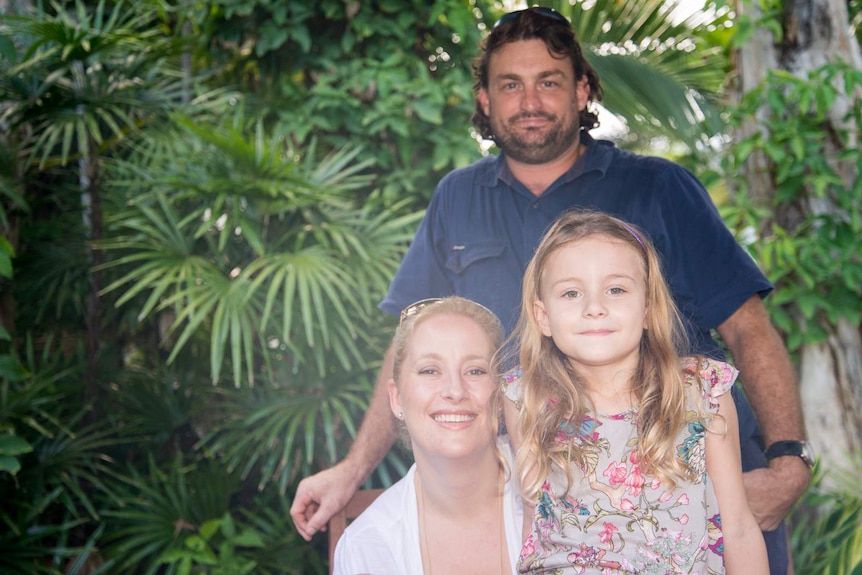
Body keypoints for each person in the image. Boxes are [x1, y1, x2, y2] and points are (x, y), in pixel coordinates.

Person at [290, 7, 810, 572]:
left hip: (694, 485)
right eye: (510, 84)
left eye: (549, 82)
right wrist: (352, 470)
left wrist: (788, 460)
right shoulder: (457, 199)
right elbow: (413, 349)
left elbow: (748, 326)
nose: (530, 101)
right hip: (555, 498)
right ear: (486, 100)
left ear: (582, 91)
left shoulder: (658, 187)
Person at [501, 209, 767, 574]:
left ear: (647, 309)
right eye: (571, 293)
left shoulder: (701, 389)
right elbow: (535, 523)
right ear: (543, 317)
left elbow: (737, 527)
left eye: (615, 289)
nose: (594, 308)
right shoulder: (524, 395)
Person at [331, 296, 523, 575]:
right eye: (430, 371)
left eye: (475, 371)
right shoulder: (369, 547)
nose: (455, 391)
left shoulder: (557, 487)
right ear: (396, 399)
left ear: (501, 392)